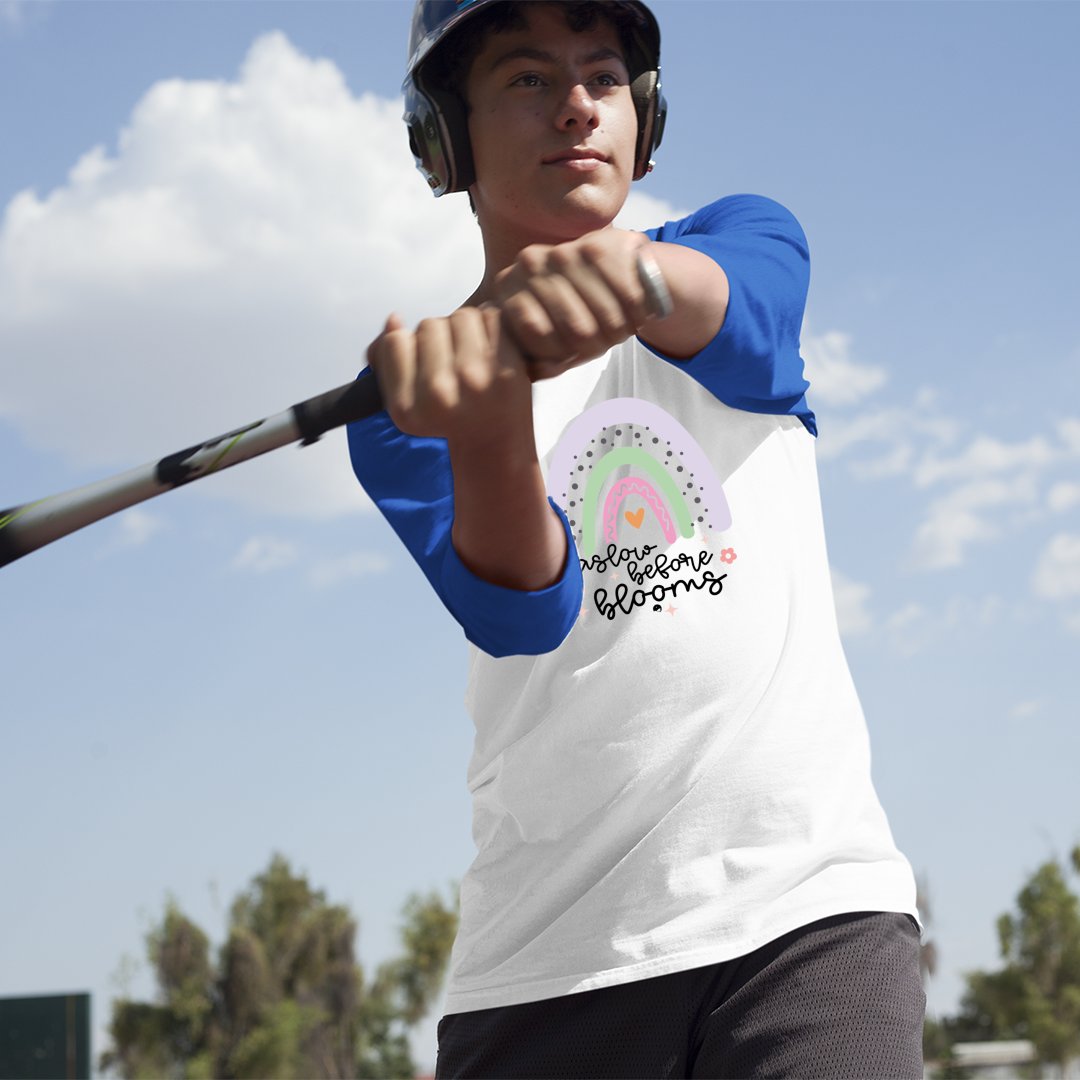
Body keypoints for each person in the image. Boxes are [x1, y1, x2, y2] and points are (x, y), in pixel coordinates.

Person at [347, 2, 925, 1076]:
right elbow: (526, 609)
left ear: (643, 117)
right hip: (546, 965)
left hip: (809, 915)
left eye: (604, 78)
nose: (576, 105)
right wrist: (488, 430)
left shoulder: (740, 239)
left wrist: (628, 279)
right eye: (527, 79)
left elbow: (741, 318)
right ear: (445, 138)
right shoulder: (406, 411)